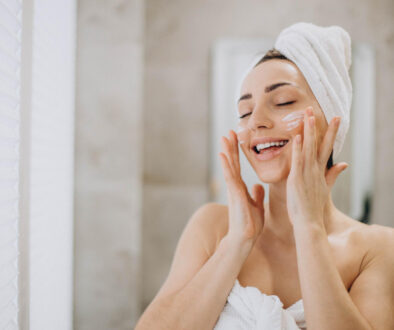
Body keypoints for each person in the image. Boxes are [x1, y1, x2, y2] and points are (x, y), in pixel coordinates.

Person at [135, 23, 394, 330]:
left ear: (332, 118)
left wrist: (309, 228)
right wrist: (236, 242)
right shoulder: (213, 228)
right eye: (245, 112)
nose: (256, 121)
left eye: (283, 102)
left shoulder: (376, 248)